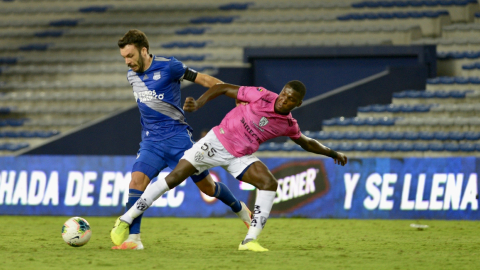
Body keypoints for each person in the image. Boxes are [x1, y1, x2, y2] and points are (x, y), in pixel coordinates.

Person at [111, 80, 348, 252]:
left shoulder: (287, 124)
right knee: (174, 178)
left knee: (269, 183)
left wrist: (332, 152)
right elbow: (223, 88)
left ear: (298, 104)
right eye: (284, 94)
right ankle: (126, 219)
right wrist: (200, 103)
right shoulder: (262, 95)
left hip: (239, 156)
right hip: (215, 142)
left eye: (290, 100)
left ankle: (250, 241)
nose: (284, 99)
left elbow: (305, 142)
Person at [111, 30, 252, 250]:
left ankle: (241, 209)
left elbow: (204, 79)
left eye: (130, 56)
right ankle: (134, 239)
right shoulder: (132, 75)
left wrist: (236, 94)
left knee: (207, 187)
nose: (127, 62)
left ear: (143, 50)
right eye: (124, 58)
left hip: (178, 140)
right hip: (151, 142)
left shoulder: (170, 67)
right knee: (136, 182)